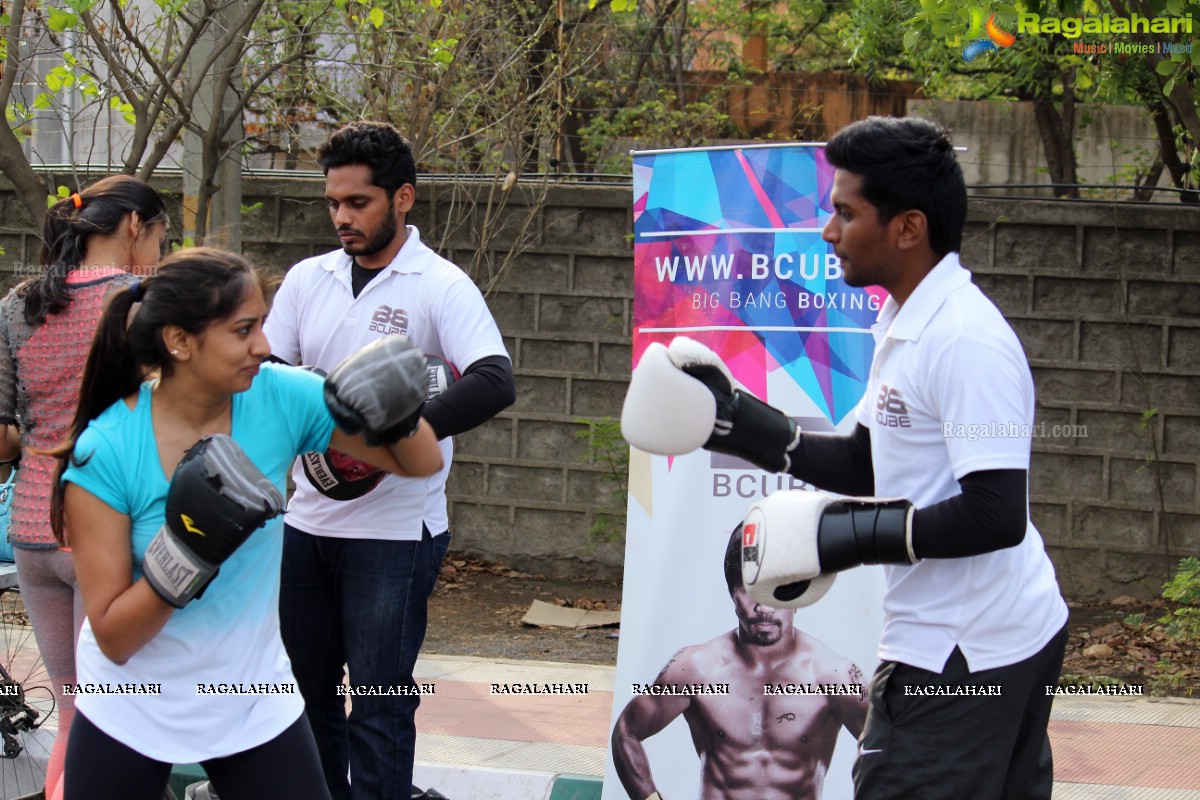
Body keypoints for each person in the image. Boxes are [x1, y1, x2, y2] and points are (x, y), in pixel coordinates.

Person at [621, 116, 1069, 800]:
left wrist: (847, 537)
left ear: (908, 228)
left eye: (844, 212)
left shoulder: (964, 340)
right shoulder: (904, 321)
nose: (828, 230)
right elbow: (866, 460)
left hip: (966, 651)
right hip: (980, 636)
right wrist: (733, 423)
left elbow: (996, 514)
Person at [48, 247, 443, 800]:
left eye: (262, 323)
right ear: (180, 341)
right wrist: (186, 553)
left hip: (249, 692)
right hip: (130, 700)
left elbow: (421, 463)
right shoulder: (107, 451)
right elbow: (115, 639)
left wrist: (394, 410)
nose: (264, 344)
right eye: (243, 330)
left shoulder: (280, 395)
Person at [263, 120, 516, 800]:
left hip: (395, 534)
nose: (343, 217)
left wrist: (392, 442)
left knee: (378, 702)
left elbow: (495, 379)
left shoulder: (439, 285)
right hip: (307, 524)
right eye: (334, 203)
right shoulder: (306, 279)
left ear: (403, 198)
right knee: (305, 695)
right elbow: (268, 379)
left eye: (359, 203)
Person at [0, 174, 169, 799]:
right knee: (113, 720)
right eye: (160, 237)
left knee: (75, 713)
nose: (159, 254)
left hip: (33, 534)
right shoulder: (140, 299)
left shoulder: (18, 304)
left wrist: (46, 436)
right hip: (108, 528)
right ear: (132, 227)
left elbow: (1, 437)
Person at [611, 526, 866, 800]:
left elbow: (890, 746)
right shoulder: (697, 668)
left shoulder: (832, 675)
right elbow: (627, 733)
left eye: (778, 591)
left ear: (798, 597)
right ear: (733, 593)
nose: (764, 607)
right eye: (753, 590)